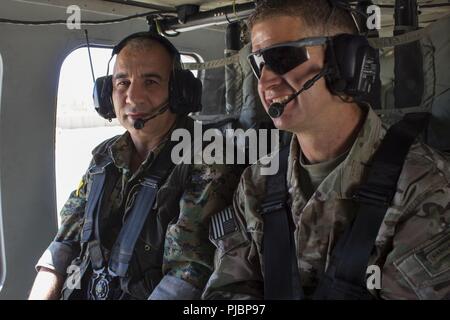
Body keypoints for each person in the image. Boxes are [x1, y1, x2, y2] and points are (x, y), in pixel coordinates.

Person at [202, 0, 450, 300]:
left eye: (282, 57)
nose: (265, 81)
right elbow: (228, 294)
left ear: (345, 63)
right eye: (258, 64)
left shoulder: (426, 186)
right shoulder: (258, 181)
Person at [28, 32, 242, 300]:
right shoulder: (104, 157)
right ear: (107, 94)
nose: (133, 96)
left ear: (178, 92)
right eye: (122, 82)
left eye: (150, 81)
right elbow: (62, 246)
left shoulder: (208, 158)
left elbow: (187, 274)